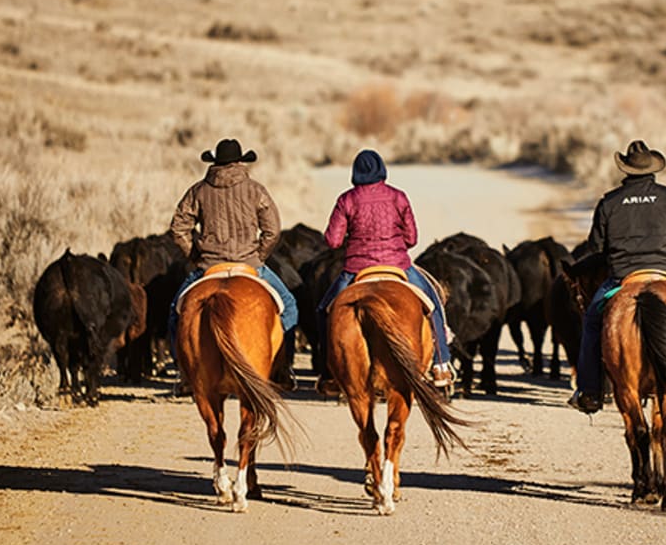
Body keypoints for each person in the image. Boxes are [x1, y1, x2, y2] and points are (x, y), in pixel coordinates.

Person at [567, 140, 666, 414]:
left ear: (626, 169)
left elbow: (596, 248)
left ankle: (589, 390)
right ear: (653, 169)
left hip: (623, 276)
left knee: (592, 323)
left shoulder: (609, 202)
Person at [314, 149, 454, 394]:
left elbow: (333, 241)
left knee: (323, 311)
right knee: (433, 305)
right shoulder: (398, 197)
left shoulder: (346, 200)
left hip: (356, 269)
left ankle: (329, 371)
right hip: (397, 265)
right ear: (382, 170)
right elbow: (412, 238)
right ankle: (441, 365)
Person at [167, 138, 299, 390]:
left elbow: (178, 228)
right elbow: (272, 231)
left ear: (215, 162)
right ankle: (283, 369)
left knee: (176, 312)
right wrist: (258, 256)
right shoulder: (256, 190)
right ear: (240, 162)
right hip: (249, 264)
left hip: (209, 266)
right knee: (290, 306)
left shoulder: (198, 191)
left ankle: (183, 372)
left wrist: (195, 256)